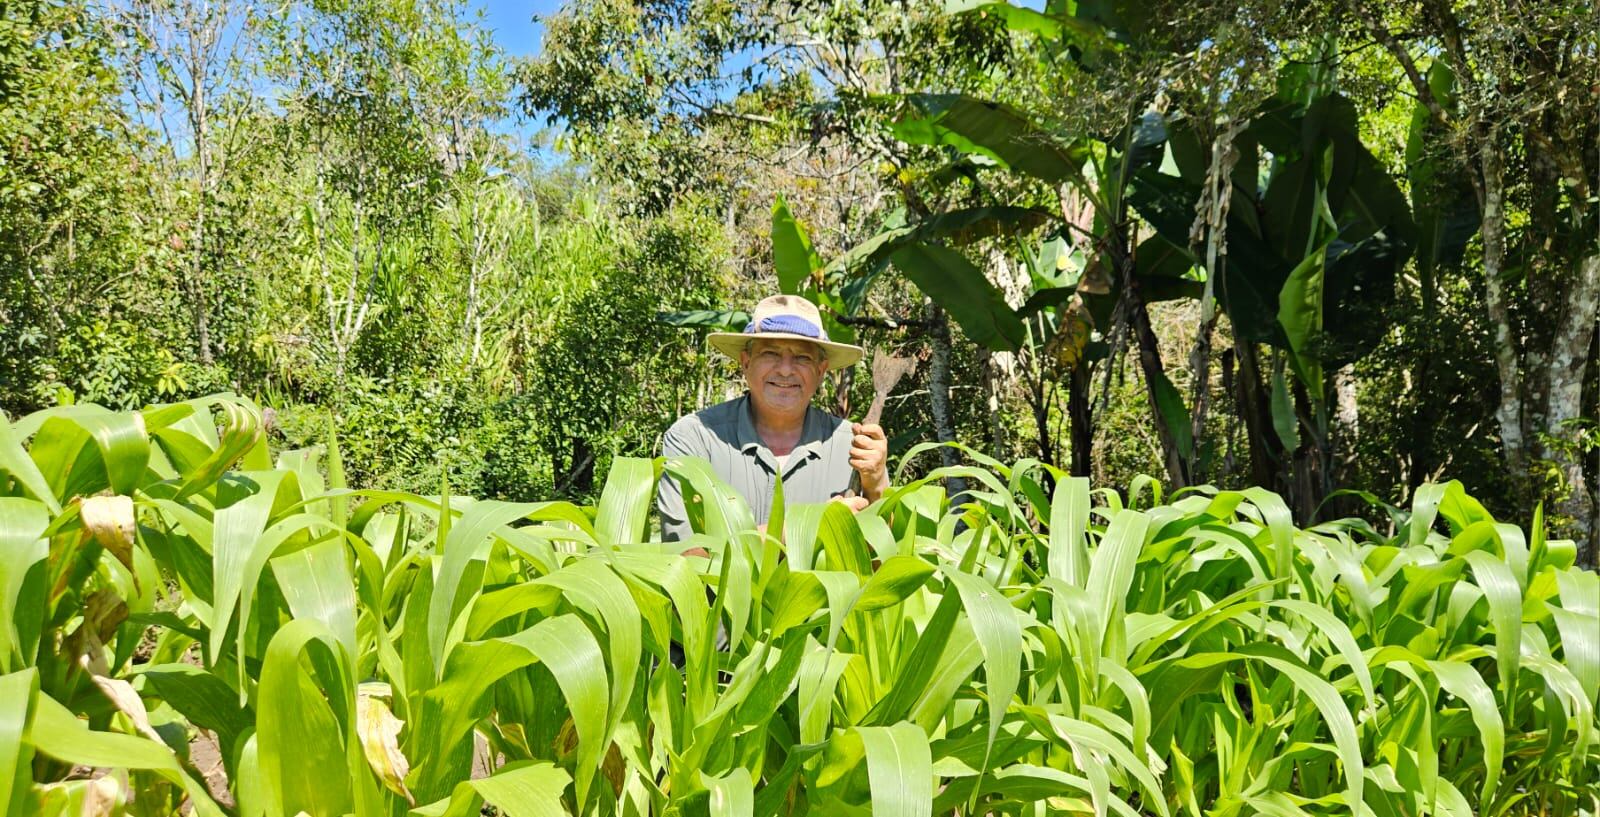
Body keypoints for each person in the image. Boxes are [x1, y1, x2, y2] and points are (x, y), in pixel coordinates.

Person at [656, 294, 889, 542]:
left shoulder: (852, 445)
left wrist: (875, 485)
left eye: (802, 357)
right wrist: (812, 525)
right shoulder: (695, 438)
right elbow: (689, 554)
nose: (786, 370)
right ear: (746, 362)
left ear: (821, 371)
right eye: (770, 353)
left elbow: (882, 560)